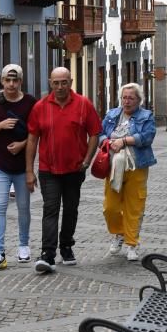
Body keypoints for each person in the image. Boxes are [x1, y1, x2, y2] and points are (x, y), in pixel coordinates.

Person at [26, 67, 101, 273]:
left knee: (70, 209)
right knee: (50, 209)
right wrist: (29, 171)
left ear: (71, 82)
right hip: (48, 169)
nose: (60, 87)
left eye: (64, 82)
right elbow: (32, 138)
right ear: (50, 82)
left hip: (75, 169)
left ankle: (66, 245)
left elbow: (94, 133)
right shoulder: (40, 107)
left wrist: (87, 160)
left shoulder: (84, 105)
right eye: (56, 83)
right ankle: (47, 254)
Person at [0, 64, 36, 272]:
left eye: (15, 80)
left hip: (22, 165)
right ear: (1, 81)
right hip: (0, 165)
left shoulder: (31, 102)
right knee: (0, 206)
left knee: (23, 207)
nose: (11, 84)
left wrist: (22, 145)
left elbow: (35, 132)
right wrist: (0, 126)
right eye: (7, 80)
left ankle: (23, 245)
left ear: (21, 81)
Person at [100, 83, 156, 261]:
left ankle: (132, 244)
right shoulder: (112, 114)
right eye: (124, 97)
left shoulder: (146, 116)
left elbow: (147, 136)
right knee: (110, 207)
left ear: (139, 100)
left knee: (134, 206)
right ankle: (118, 233)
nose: (127, 101)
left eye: (131, 98)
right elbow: (100, 133)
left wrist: (124, 141)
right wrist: (107, 143)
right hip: (113, 165)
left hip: (137, 165)